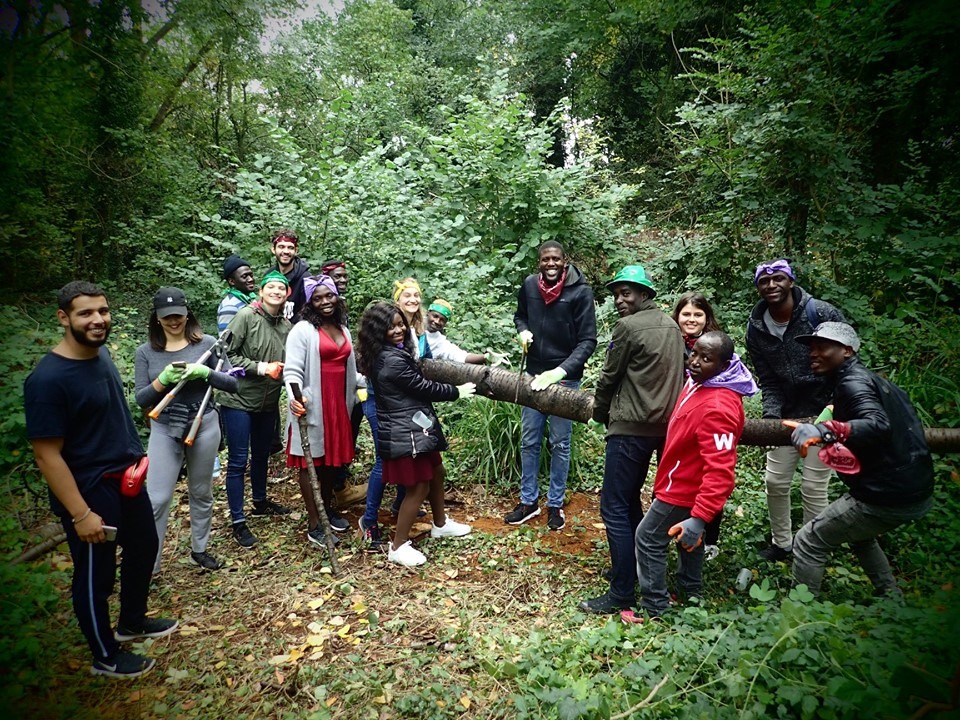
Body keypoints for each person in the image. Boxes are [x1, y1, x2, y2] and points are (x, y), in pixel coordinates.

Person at [24, 281, 177, 678]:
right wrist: (80, 514)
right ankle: (105, 655)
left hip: (125, 477)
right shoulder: (48, 380)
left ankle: (132, 622)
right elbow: (46, 453)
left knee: (144, 546)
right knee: (96, 573)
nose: (98, 320)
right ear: (64, 318)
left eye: (103, 311)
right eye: (86, 313)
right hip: (90, 489)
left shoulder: (101, 354)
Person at [788, 322, 934, 597]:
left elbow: (877, 425)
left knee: (809, 539)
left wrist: (825, 430)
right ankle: (891, 599)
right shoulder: (872, 380)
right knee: (860, 536)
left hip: (887, 495)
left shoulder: (853, 383)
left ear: (847, 350)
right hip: (911, 488)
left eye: (822, 347)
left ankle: (799, 616)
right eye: (811, 348)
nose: (813, 353)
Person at [622, 331, 759, 624]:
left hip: (685, 489)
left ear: (724, 365)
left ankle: (655, 607)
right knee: (688, 541)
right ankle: (691, 593)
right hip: (677, 480)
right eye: (694, 353)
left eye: (706, 358)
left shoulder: (718, 406)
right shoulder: (701, 383)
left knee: (647, 538)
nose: (695, 361)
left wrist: (700, 517)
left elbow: (722, 470)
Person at [580, 265, 685, 614]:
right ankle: (634, 572)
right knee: (630, 504)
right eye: (615, 294)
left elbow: (609, 377)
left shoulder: (627, 327)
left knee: (614, 506)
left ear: (644, 294)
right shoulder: (672, 326)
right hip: (664, 429)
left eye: (627, 293)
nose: (619, 300)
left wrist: (599, 414)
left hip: (629, 428)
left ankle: (622, 592)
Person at [356, 302, 476, 567]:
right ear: (378, 331)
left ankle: (440, 523)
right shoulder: (390, 360)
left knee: (437, 471)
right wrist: (456, 392)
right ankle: (398, 546)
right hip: (406, 431)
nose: (399, 330)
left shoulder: (387, 353)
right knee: (418, 485)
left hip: (415, 425)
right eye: (391, 327)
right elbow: (422, 386)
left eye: (401, 325)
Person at [746, 258, 845, 562]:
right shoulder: (757, 327)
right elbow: (768, 379)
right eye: (764, 281)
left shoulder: (821, 313)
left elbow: (847, 359)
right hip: (786, 412)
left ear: (790, 281)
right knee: (775, 482)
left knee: (815, 485)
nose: (771, 285)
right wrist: (771, 421)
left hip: (824, 410)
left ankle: (812, 546)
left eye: (778, 278)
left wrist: (834, 405)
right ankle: (782, 544)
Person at [135, 288, 238, 572]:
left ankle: (200, 548)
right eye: (167, 317)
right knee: (157, 497)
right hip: (164, 426)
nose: (174, 321)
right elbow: (141, 399)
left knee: (201, 490)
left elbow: (232, 383)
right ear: (157, 319)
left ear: (187, 314)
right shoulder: (145, 353)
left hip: (203, 424)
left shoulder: (206, 344)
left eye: (178, 315)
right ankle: (150, 563)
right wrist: (164, 381)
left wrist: (206, 373)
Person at [508, 241, 597, 530]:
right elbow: (520, 315)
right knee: (530, 441)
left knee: (560, 442)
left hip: (565, 380)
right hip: (533, 375)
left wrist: (561, 371)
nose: (550, 264)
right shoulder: (530, 286)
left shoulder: (580, 292)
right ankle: (528, 501)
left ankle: (555, 504)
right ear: (539, 262)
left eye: (555, 259)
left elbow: (588, 341)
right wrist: (523, 332)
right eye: (545, 259)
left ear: (565, 261)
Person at [219, 270, 293, 548]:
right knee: (239, 460)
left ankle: (260, 502)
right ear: (261, 292)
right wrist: (261, 368)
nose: (276, 291)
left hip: (268, 401)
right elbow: (226, 354)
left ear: (287, 294)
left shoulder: (286, 326)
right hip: (238, 399)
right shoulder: (246, 317)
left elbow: (289, 365)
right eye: (270, 287)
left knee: (262, 454)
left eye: (281, 288)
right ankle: (238, 521)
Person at [357, 278, 432, 548]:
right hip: (380, 404)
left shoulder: (416, 331)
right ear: (397, 301)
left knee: (407, 455)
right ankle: (369, 520)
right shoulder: (383, 329)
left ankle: (401, 505)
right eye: (406, 296)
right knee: (385, 460)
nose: (412, 300)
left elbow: (431, 360)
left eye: (416, 296)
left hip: (405, 407)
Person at [284, 274, 357, 548]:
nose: (325, 302)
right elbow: (291, 371)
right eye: (318, 298)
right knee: (310, 461)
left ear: (337, 297)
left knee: (329, 462)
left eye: (329, 296)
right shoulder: (302, 331)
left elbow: (351, 369)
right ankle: (315, 524)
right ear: (309, 302)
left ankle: (326, 511)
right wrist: (296, 398)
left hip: (338, 403)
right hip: (313, 403)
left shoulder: (343, 328)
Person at [671, 291, 724, 560]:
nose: (691, 320)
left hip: (704, 420)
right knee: (679, 479)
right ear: (677, 316)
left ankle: (709, 537)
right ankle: (681, 529)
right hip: (676, 421)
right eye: (687, 314)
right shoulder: (669, 340)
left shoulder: (716, 345)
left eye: (698, 315)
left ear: (707, 318)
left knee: (708, 477)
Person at [425, 298, 507, 365]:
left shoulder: (440, 342)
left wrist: (487, 357)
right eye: (435, 316)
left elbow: (461, 356)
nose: (437, 321)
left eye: (442, 320)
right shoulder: (413, 327)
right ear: (428, 313)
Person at [267, 229, 311, 320]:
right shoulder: (270, 275)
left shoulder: (306, 279)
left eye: (290, 248)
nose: (286, 251)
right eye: (281, 247)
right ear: (273, 249)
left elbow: (309, 314)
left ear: (296, 250)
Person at [217, 254, 257, 332]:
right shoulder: (230, 307)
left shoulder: (249, 300)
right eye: (244, 276)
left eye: (251, 275)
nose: (250, 279)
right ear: (232, 281)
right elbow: (225, 341)